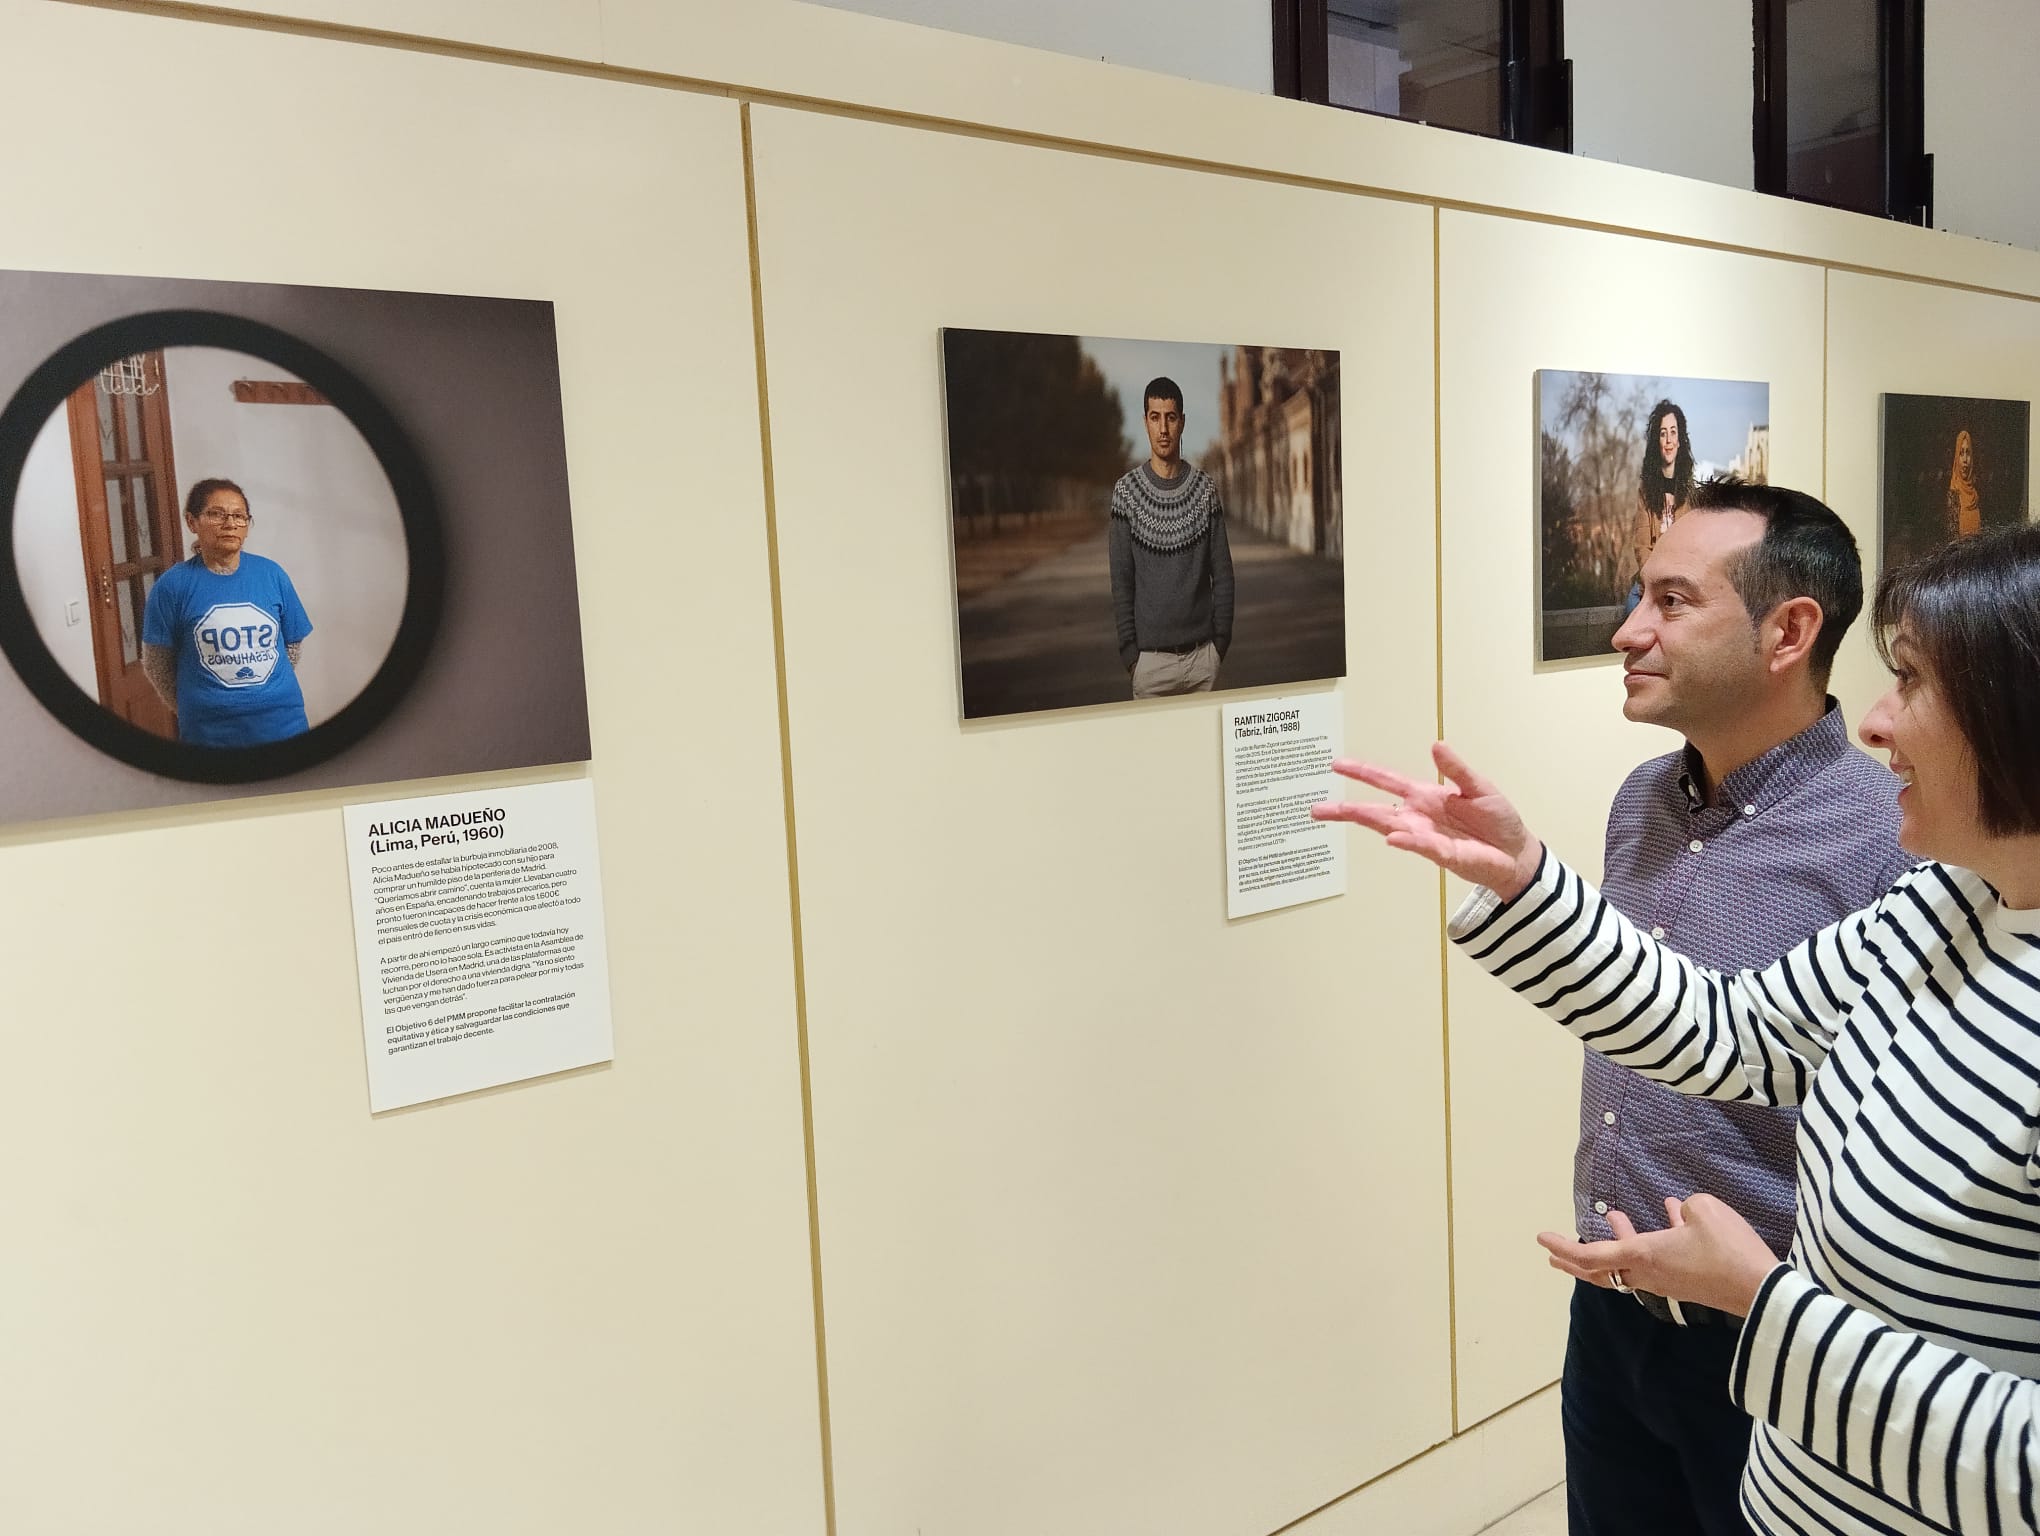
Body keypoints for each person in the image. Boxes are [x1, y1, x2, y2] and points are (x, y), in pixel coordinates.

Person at [1313, 520, 2040, 1536]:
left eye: (1914, 681)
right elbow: (1731, 1032)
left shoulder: (1901, 862)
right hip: (1784, 1471)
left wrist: (1765, 1304)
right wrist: (1526, 883)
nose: (1879, 722)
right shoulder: (1949, 909)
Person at [1561, 480, 1909, 1535]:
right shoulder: (1639, 804)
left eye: (1672, 601)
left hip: (1773, 1330)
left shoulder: (1891, 838)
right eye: (1638, 595)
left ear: (1787, 631)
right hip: (1610, 1311)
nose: (1630, 630)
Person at [141, 477, 313, 747]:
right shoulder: (172, 586)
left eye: (239, 516)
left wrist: (260, 690)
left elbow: (292, 643)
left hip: (283, 722)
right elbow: (156, 663)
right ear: (192, 522)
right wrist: (196, 703)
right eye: (216, 514)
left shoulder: (272, 574)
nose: (230, 524)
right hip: (210, 732)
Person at [1108, 376, 1233, 698]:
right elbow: (1122, 581)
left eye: (1171, 417)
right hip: (1149, 666)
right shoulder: (1126, 494)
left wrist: (1219, 645)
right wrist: (1130, 656)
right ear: (1145, 422)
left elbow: (1223, 572)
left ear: (1182, 422)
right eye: (1155, 417)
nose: (1163, 429)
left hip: (1202, 661)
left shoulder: (1206, 490)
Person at [1625, 398, 1695, 616]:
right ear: (1657, 440)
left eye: (1673, 432)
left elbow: (1693, 548)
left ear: (1680, 439)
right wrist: (1654, 583)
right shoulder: (1645, 491)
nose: (1668, 440)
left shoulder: (1691, 493)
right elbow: (1641, 544)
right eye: (1663, 433)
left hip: (1681, 583)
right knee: (1632, 610)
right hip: (1650, 581)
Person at [1945, 427, 1981, 539]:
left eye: (1968, 453)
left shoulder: (1976, 494)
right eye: (1961, 453)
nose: (1965, 459)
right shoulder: (1954, 493)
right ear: (1956, 458)